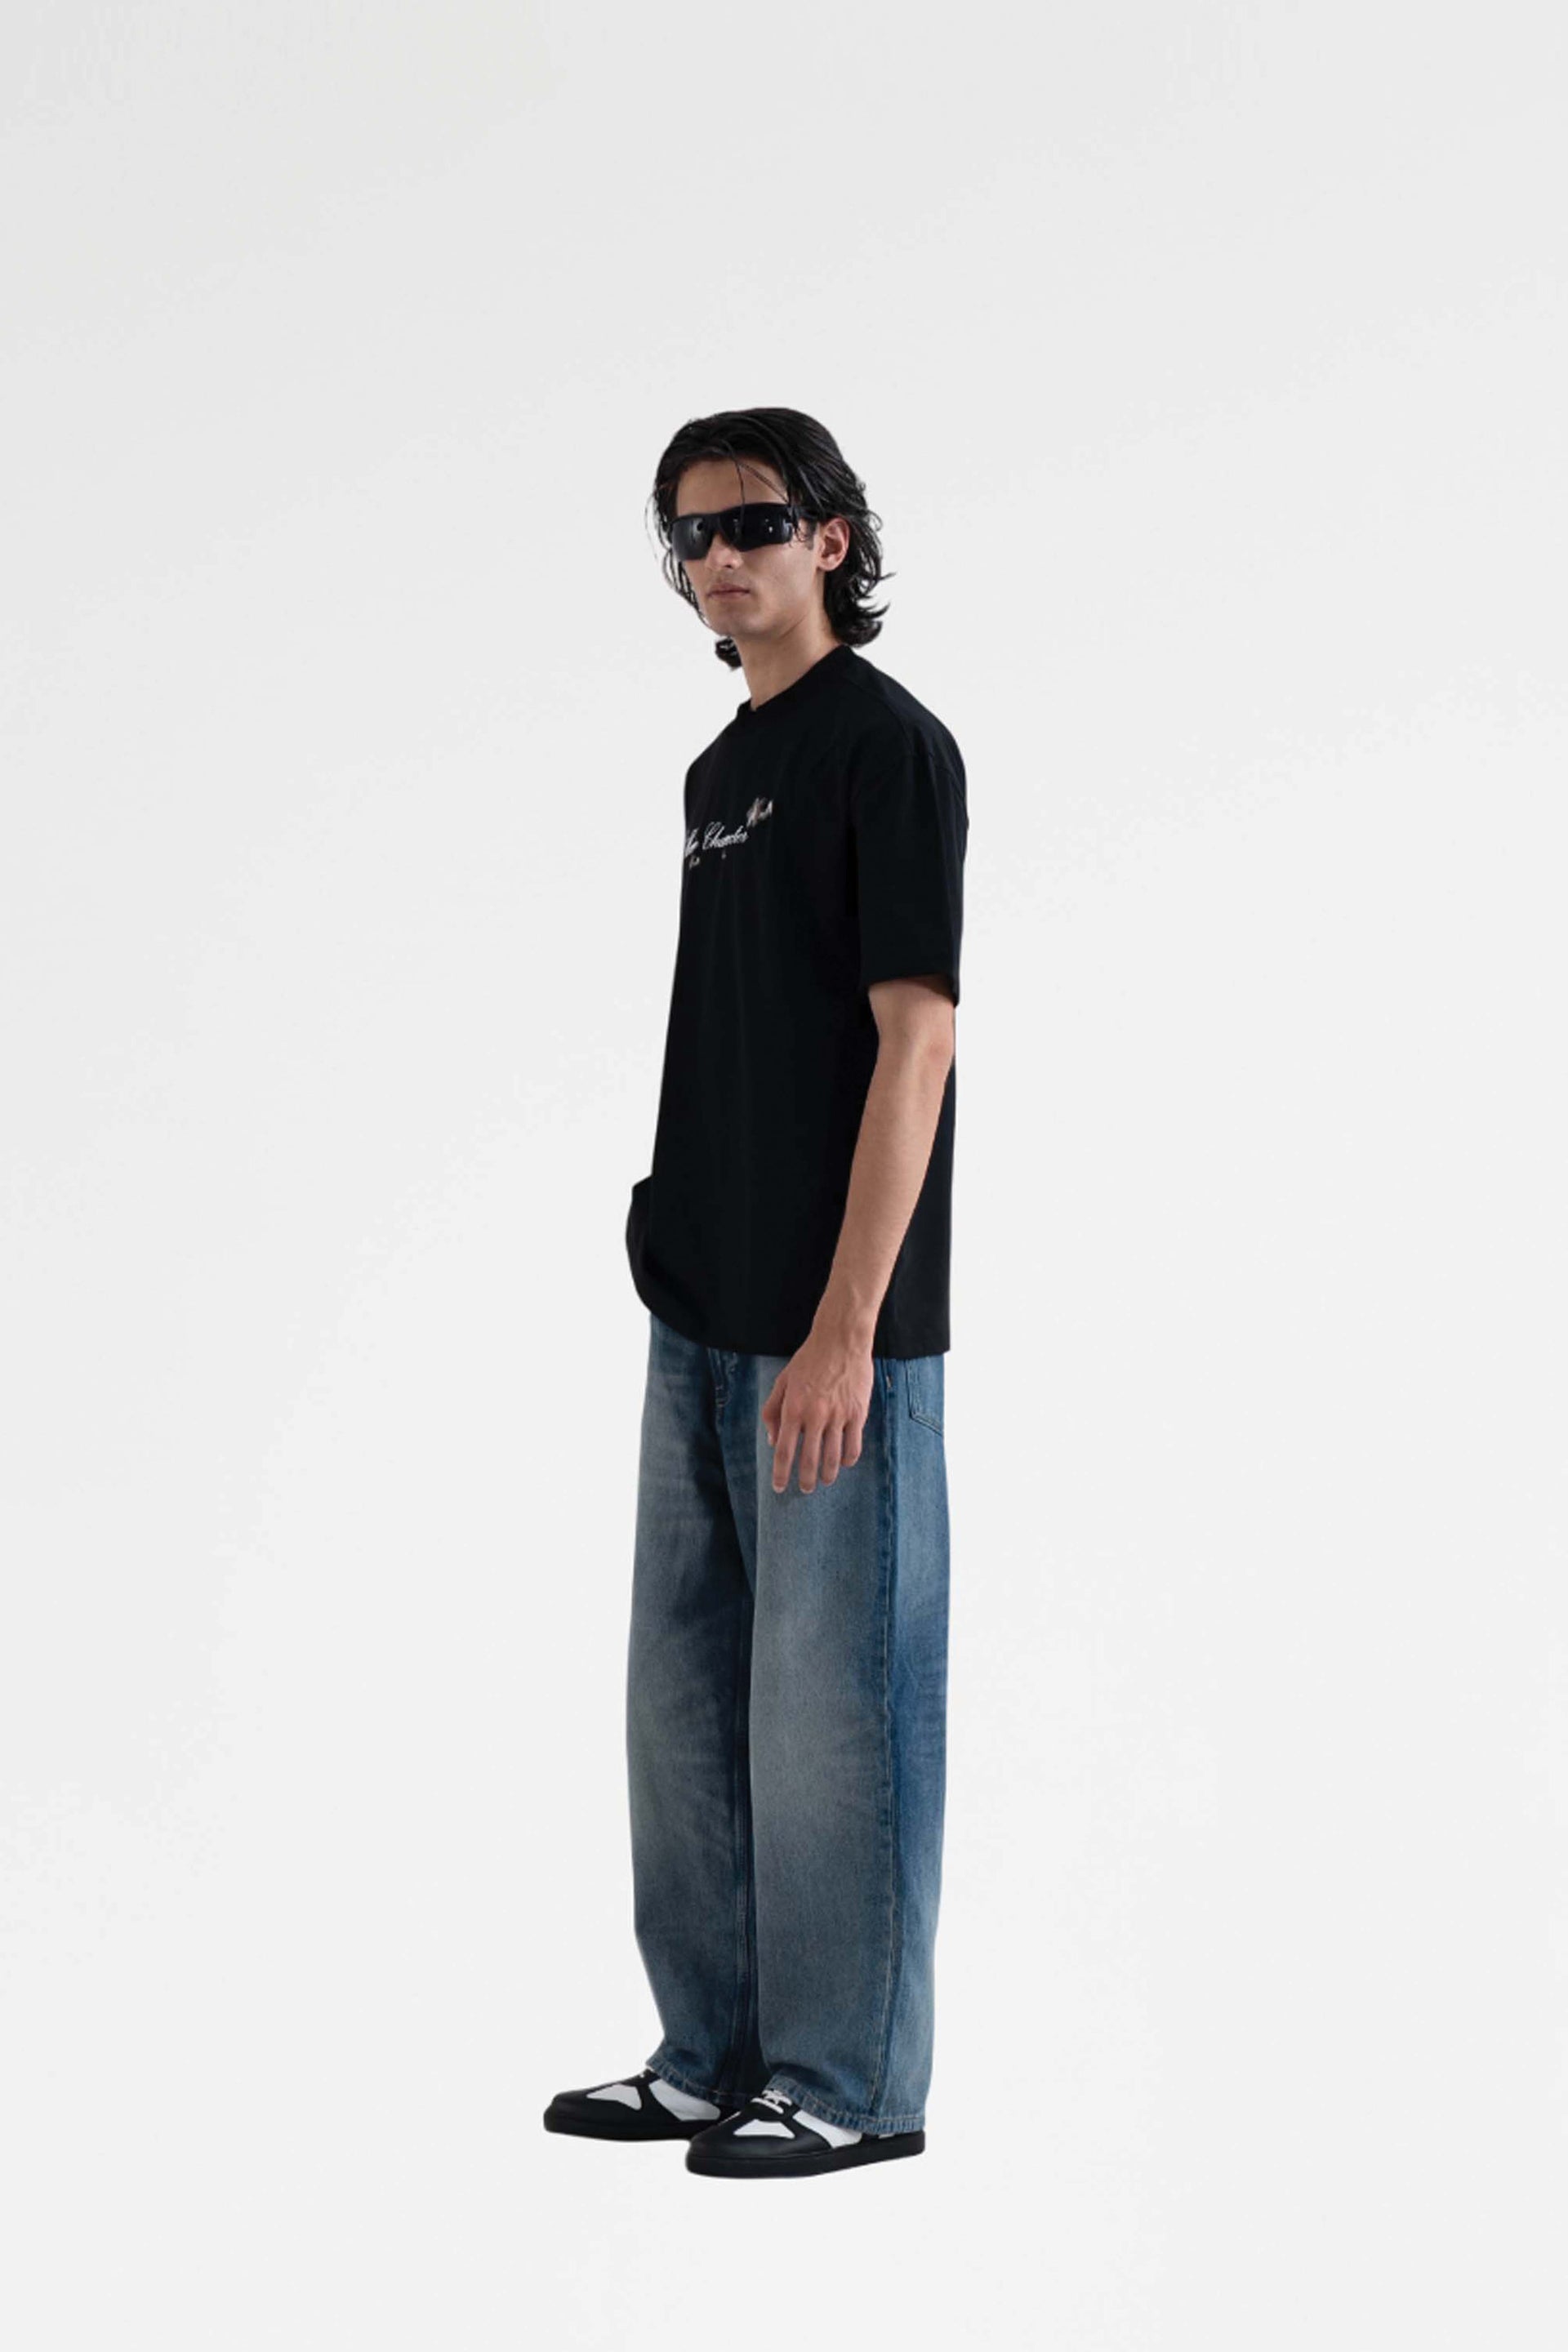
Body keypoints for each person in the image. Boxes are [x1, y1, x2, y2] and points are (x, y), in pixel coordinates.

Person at [543, 408, 968, 2180]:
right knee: (686, 1708)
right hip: (700, 1308)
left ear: (833, 541)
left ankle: (848, 2084)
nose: (720, 557)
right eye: (691, 535)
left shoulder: (888, 747)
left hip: (828, 1328)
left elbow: (917, 1040)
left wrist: (847, 1325)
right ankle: (707, 2055)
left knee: (832, 1708)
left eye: (756, 523)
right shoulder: (722, 773)